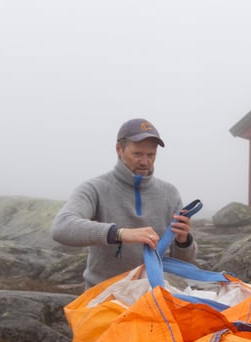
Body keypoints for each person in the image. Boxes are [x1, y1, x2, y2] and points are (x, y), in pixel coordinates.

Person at [51, 118, 197, 288]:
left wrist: (183, 241)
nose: (145, 161)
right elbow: (61, 227)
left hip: (152, 297)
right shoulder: (95, 188)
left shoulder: (170, 194)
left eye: (151, 155)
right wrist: (119, 233)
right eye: (137, 154)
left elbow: (182, 264)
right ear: (119, 149)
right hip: (104, 297)